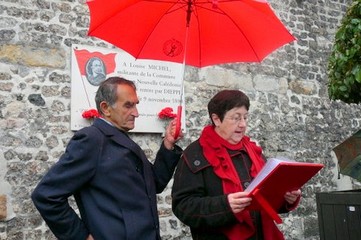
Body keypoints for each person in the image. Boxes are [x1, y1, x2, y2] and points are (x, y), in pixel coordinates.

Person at [31, 77, 183, 240]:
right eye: (128, 105)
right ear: (106, 108)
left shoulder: (119, 138)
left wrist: (168, 144)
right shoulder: (92, 139)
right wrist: (81, 237)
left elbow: (154, 184)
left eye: (136, 104)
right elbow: (46, 195)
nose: (136, 113)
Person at [171, 90, 301, 240]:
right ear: (216, 119)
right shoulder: (195, 154)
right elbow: (183, 206)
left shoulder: (253, 151)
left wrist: (285, 198)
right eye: (236, 118)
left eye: (245, 117)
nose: (243, 124)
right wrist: (225, 205)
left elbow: (265, 199)